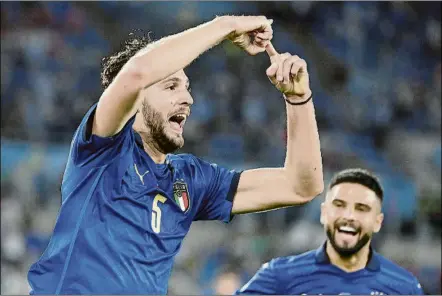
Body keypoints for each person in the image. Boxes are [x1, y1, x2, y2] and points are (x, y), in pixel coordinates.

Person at [27, 15, 324, 294]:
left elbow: (301, 186)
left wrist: (298, 98)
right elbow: (138, 74)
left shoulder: (190, 180)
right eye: (171, 86)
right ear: (135, 102)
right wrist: (225, 25)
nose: (188, 98)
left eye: (187, 88)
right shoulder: (102, 151)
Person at [236, 168, 425, 295]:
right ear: (324, 213)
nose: (349, 216)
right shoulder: (279, 275)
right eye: (339, 205)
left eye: (361, 208)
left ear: (378, 222)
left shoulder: (404, 287)